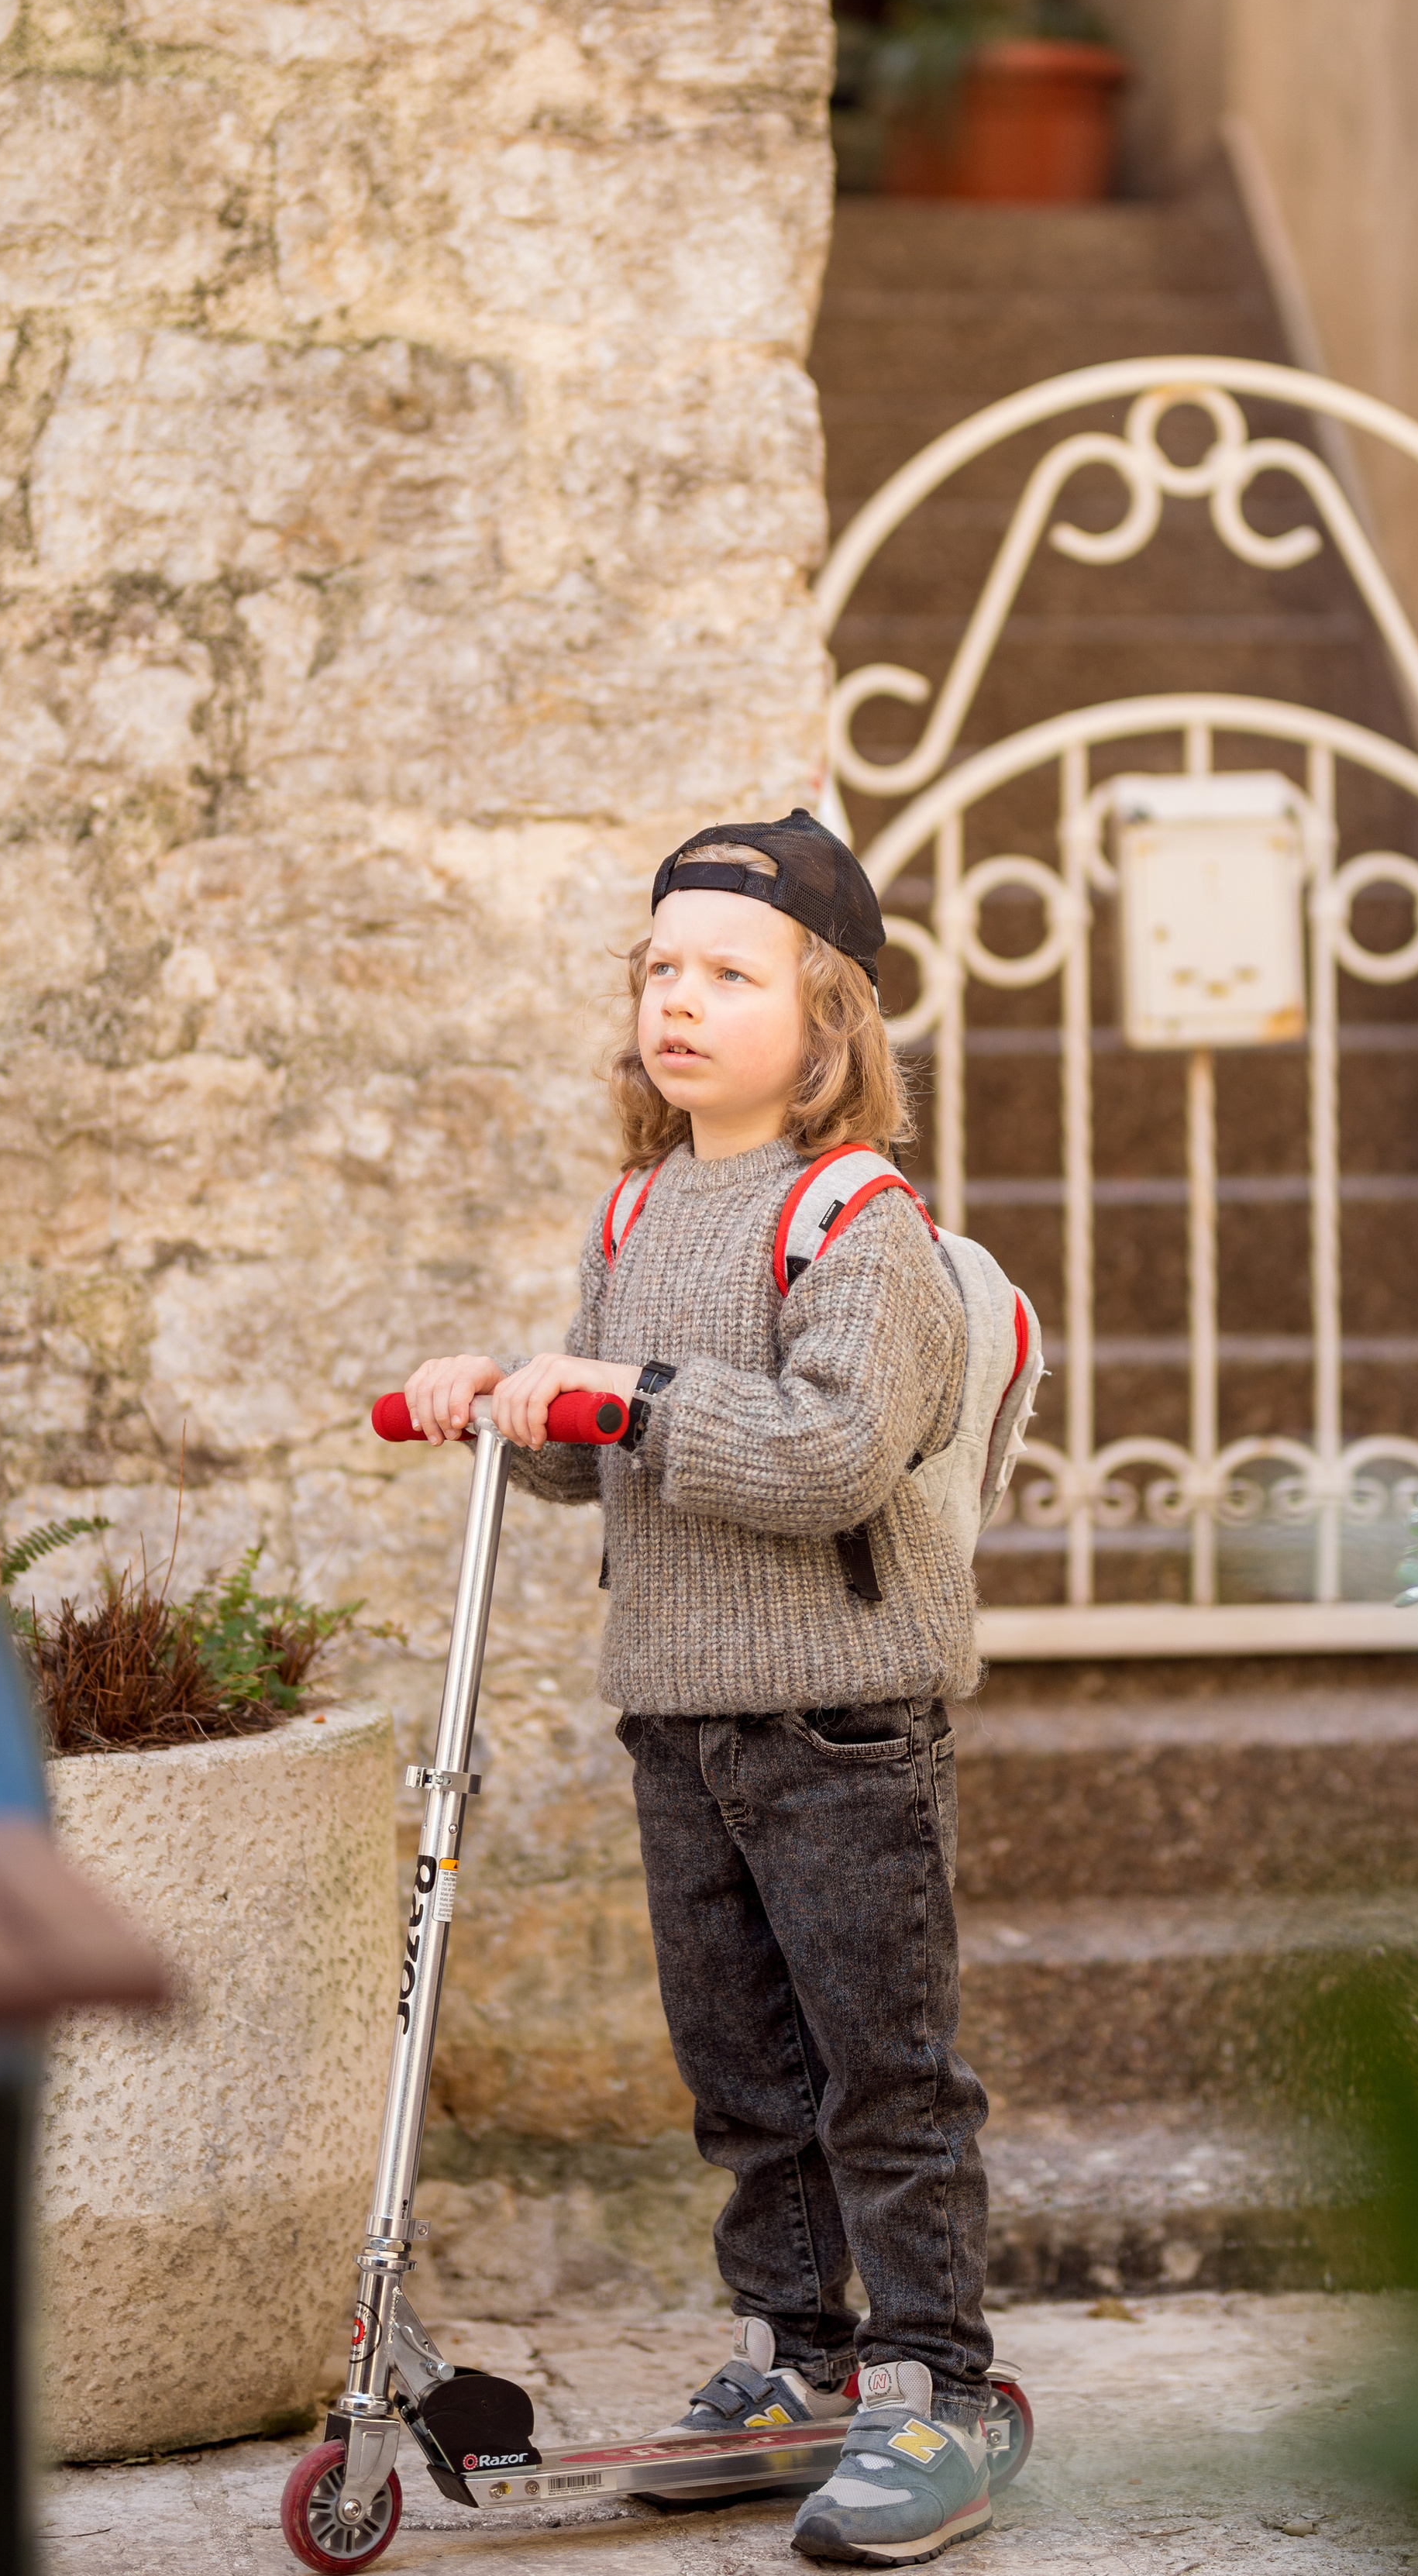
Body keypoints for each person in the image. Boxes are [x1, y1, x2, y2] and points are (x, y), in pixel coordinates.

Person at [401, 808, 997, 2567]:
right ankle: (796, 2363)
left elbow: (830, 1456)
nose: (679, 1000)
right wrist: (509, 1398)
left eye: (726, 973)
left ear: (827, 1021)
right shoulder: (637, 1206)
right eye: (660, 968)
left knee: (878, 2073)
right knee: (741, 2077)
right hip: (678, 1716)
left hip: (837, 1726)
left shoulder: (855, 1224)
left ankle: (936, 2386)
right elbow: (605, 1460)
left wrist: (637, 1396)